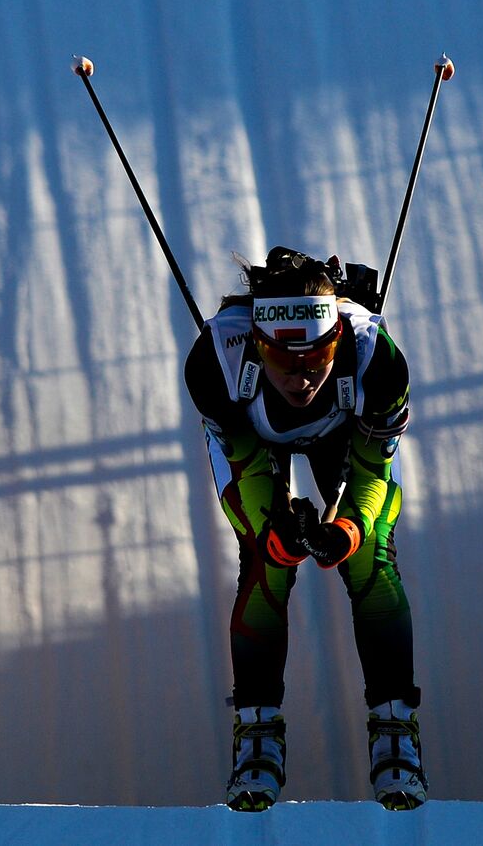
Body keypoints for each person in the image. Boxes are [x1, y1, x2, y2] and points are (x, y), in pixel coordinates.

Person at [183, 246, 426, 811]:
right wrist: (276, 533)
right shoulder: (216, 362)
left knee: (368, 558)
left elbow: (373, 478)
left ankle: (395, 733)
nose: (299, 379)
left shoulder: (377, 362)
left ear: (337, 340)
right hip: (253, 428)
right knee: (267, 559)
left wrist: (348, 529)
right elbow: (244, 474)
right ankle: (257, 738)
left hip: (348, 425)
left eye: (315, 360)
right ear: (259, 346)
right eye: (284, 362)